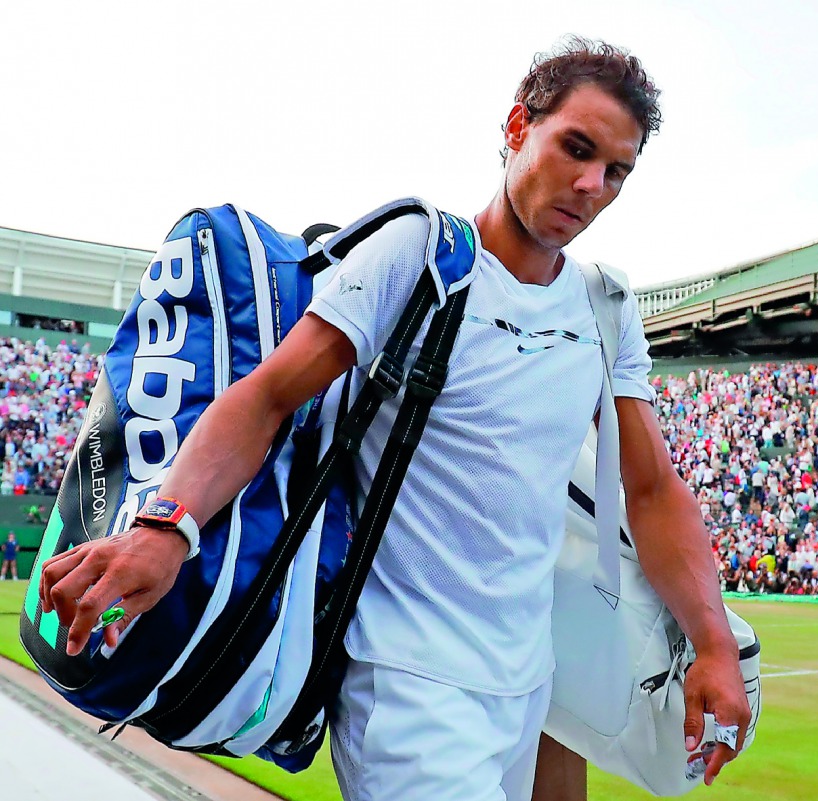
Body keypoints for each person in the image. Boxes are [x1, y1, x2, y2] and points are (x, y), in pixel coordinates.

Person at [37, 38, 750, 801]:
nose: (590, 185)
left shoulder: (604, 307)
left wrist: (712, 642)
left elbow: (652, 489)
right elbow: (269, 396)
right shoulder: (420, 254)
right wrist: (166, 524)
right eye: (576, 148)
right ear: (518, 126)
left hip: (533, 686)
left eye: (617, 172)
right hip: (407, 690)